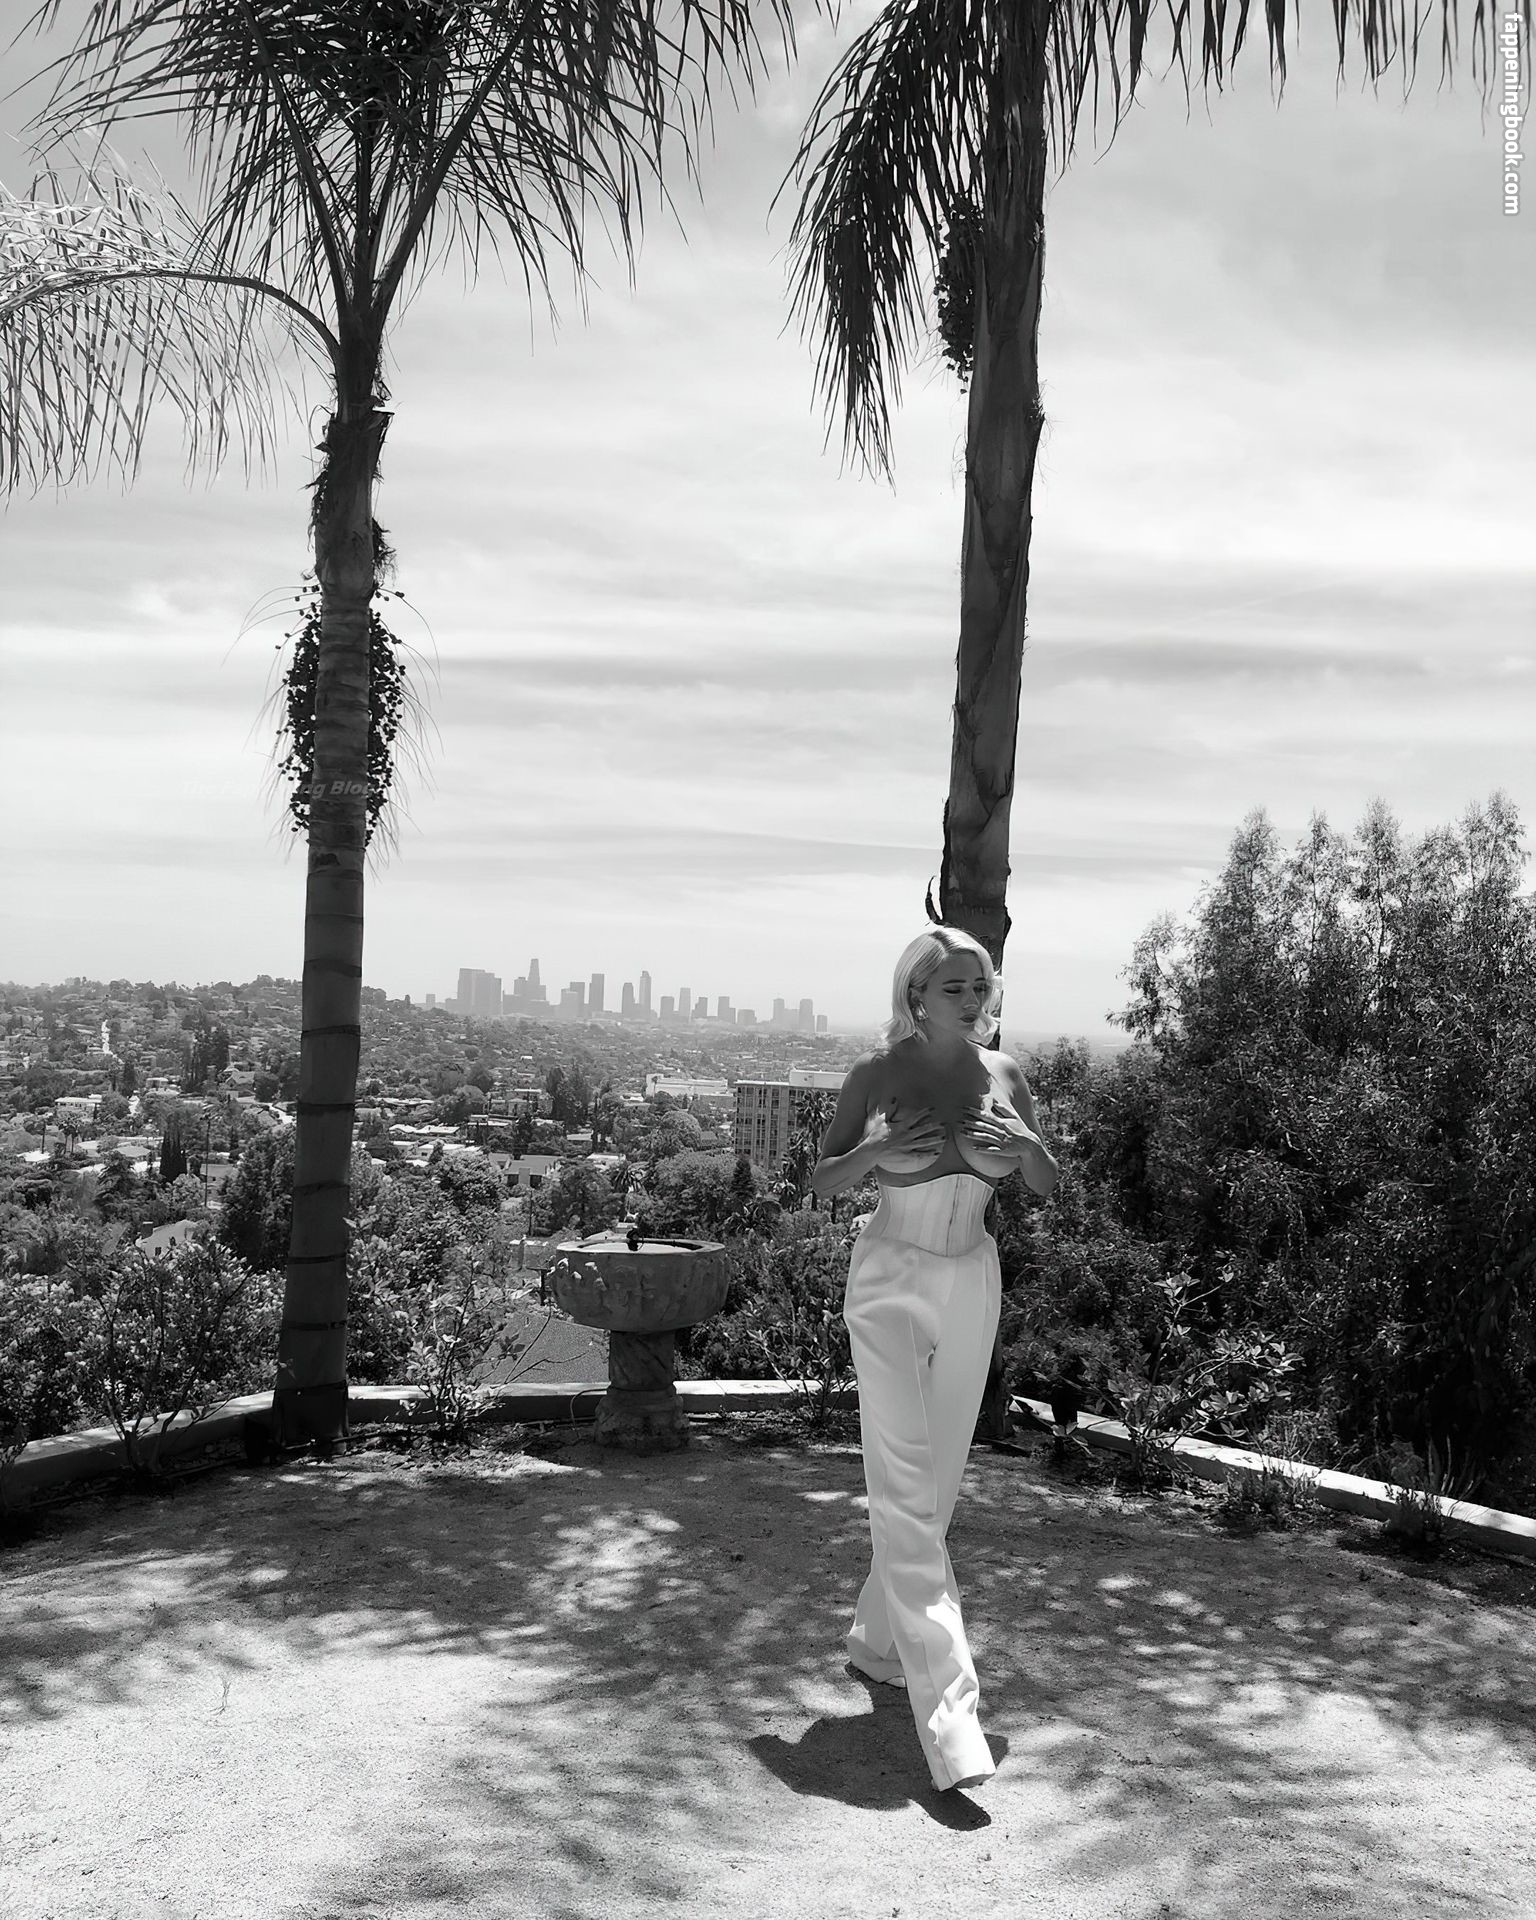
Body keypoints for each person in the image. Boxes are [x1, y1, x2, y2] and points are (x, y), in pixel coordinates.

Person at [811, 925, 1059, 1793]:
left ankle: (878, 1642)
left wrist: (1025, 1150)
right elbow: (823, 1179)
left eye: (980, 984)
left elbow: (1045, 1183)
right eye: (953, 985)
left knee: (940, 1476)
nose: (971, 998)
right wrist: (878, 1150)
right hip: (889, 1278)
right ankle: (952, 1719)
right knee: (906, 1480)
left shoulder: (1006, 1075)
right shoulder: (875, 1073)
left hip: (972, 1278)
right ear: (916, 992)